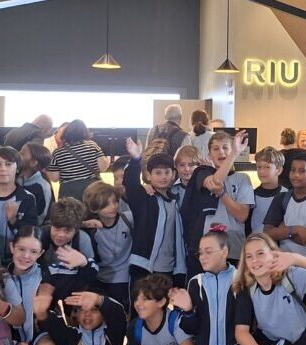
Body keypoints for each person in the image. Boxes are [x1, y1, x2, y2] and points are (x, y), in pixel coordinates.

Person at [181, 130, 252, 271]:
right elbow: (215, 182)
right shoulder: (202, 172)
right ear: (209, 155)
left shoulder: (242, 178)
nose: (221, 152)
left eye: (225, 147)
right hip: (205, 249)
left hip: (234, 247)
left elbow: (242, 215)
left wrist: (222, 194)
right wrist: (234, 153)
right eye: (216, 148)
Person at [121, 140, 186, 283]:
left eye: (167, 172)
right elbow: (130, 183)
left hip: (169, 268)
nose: (163, 177)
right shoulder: (144, 198)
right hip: (143, 266)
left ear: (173, 174)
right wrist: (136, 159)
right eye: (158, 173)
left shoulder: (176, 200)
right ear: (148, 175)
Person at [83, 182, 133, 306]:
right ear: (94, 208)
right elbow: (61, 224)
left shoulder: (127, 218)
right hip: (99, 278)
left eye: (115, 201)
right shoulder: (90, 228)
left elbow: (149, 211)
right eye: (106, 204)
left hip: (125, 278)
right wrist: (83, 224)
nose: (113, 207)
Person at [48, 119, 109, 203]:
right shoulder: (92, 145)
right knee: (93, 210)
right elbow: (102, 168)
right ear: (85, 132)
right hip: (92, 188)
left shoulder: (58, 152)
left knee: (71, 211)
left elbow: (54, 178)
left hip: (69, 191)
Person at [249, 147, 286, 238]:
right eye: (259, 167)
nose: (262, 171)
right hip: (255, 241)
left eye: (267, 167)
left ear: (279, 170)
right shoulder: (251, 195)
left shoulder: (286, 195)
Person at [18, 142, 53, 224]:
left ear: (33, 162)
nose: (17, 154)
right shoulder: (17, 178)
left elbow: (40, 216)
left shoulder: (42, 185)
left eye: (22, 153)